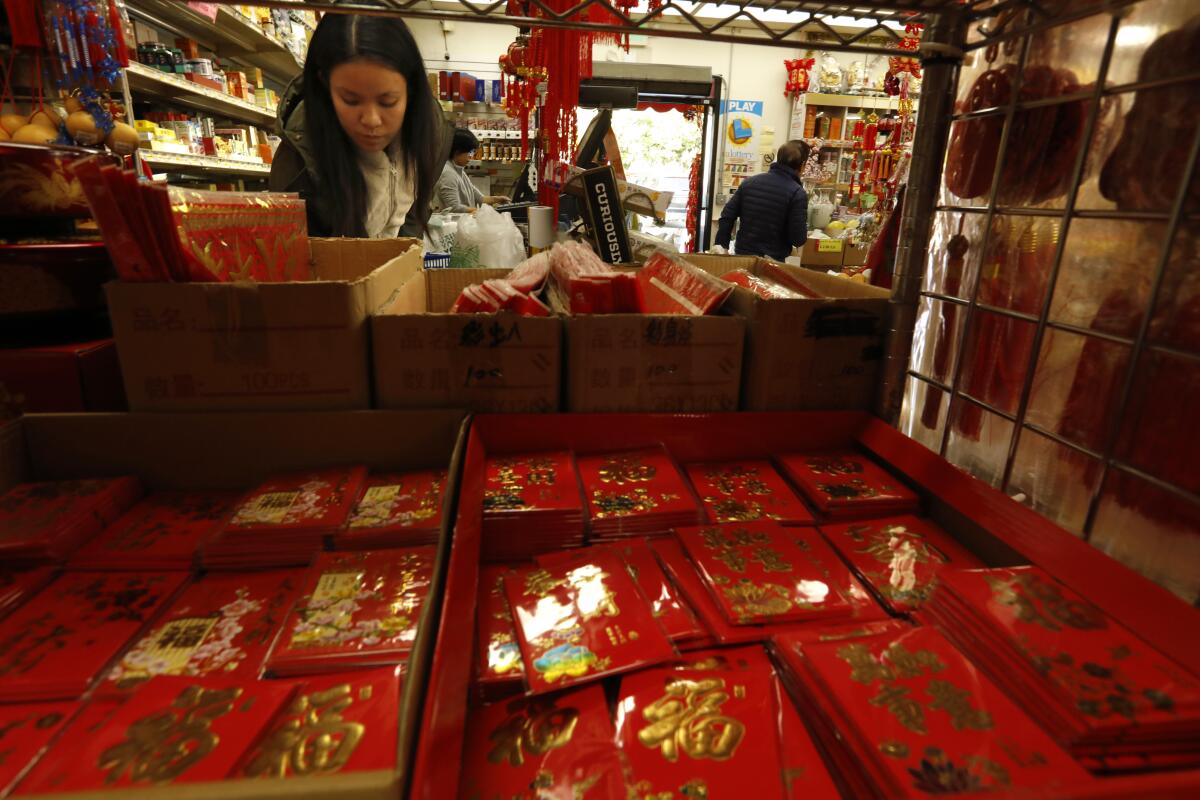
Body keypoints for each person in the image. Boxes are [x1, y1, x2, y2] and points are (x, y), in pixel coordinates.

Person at [269, 13, 446, 238]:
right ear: (325, 86)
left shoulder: (429, 128)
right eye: (350, 101)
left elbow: (412, 218)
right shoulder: (299, 161)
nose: (371, 120)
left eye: (388, 101)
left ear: (410, 89)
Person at [715, 140, 811, 261]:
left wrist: (722, 247)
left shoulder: (749, 183)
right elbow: (797, 239)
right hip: (772, 264)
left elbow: (727, 216)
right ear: (802, 166)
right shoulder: (797, 193)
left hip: (743, 258)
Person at [435, 128, 510, 212]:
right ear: (457, 152)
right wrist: (485, 213)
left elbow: (479, 198)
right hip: (452, 224)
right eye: (469, 152)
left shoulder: (459, 171)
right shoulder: (448, 173)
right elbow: (454, 208)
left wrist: (497, 199)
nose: (471, 156)